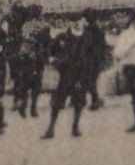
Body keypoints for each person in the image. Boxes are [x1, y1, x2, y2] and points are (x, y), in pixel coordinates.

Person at [41, 11, 109, 139]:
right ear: (69, 23)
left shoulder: (89, 38)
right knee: (57, 103)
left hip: (82, 74)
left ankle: (75, 127)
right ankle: (50, 129)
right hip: (66, 74)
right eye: (73, 21)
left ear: (82, 21)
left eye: (78, 20)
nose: (76, 23)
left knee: (79, 101)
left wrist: (91, 71)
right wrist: (54, 61)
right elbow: (50, 51)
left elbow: (94, 55)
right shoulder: (63, 36)